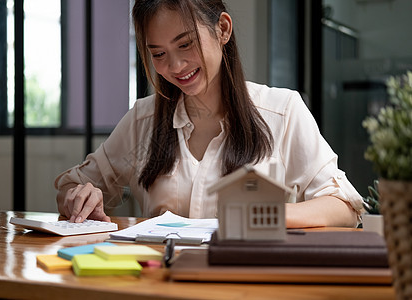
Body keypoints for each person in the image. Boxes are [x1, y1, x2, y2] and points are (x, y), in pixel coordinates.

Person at [55, 0, 363, 228]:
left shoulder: (282, 111)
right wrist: (80, 198)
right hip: (161, 284)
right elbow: (75, 184)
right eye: (158, 54)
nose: (175, 67)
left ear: (223, 29)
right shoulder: (142, 120)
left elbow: (345, 208)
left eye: (185, 44)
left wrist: (265, 214)